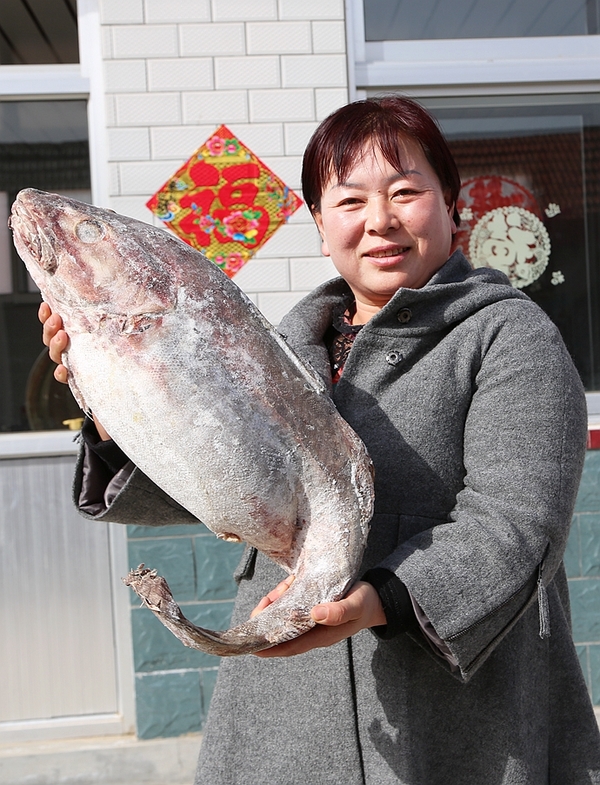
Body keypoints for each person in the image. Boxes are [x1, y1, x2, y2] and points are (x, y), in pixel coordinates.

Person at [41, 95, 600, 784]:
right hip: (280, 713)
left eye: (405, 191)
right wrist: (109, 408)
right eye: (351, 200)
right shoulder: (280, 349)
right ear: (318, 222)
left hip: (455, 719)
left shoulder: (509, 337)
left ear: (450, 204)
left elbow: (517, 522)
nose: (380, 221)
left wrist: (382, 598)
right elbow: (212, 484)